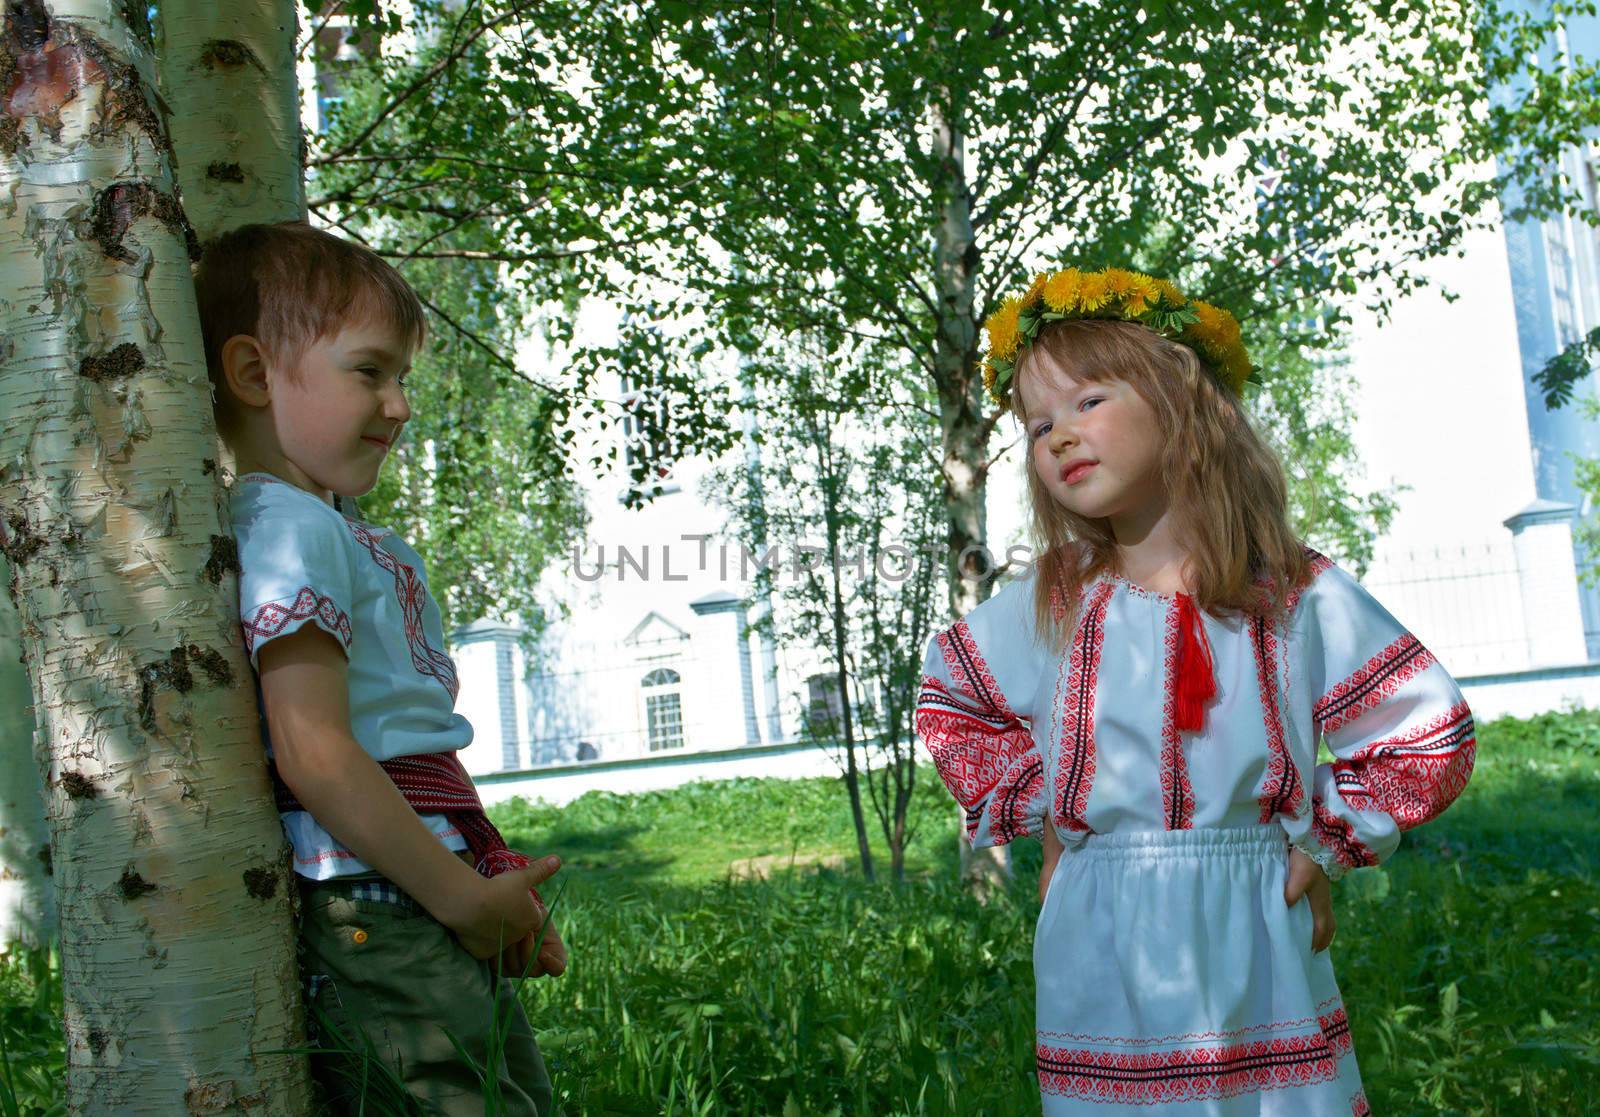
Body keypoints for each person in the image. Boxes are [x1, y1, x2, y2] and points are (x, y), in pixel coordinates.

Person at [917, 267, 1475, 1115]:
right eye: (1038, 423)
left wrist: (1320, 837)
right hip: (1101, 936)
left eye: (1088, 401)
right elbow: (955, 696)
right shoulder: (1053, 603)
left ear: (1181, 399)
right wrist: (1058, 814)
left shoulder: (1291, 592)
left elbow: (1425, 728)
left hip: (1251, 924)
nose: (1060, 435)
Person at [194, 221, 565, 1115]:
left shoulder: (325, 528)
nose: (399, 405)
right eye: (370, 372)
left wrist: (478, 889)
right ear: (251, 375)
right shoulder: (291, 527)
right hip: (382, 896)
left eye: (402, 378)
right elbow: (313, 748)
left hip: (408, 887)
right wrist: (461, 899)